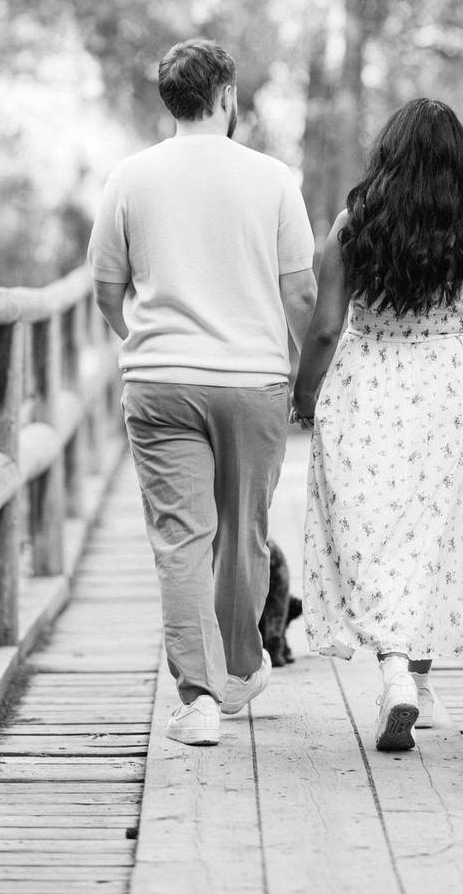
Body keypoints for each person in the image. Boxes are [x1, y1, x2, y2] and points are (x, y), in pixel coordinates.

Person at [88, 38, 316, 747]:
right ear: (225, 97)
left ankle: (198, 701)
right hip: (252, 381)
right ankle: (242, 669)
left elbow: (104, 285)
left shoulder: (130, 176)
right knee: (242, 531)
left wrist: (135, 339)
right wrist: (305, 373)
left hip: (160, 381)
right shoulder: (274, 178)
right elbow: (302, 292)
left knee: (181, 541)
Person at [291, 97, 463, 752]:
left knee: (372, 530)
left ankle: (393, 671)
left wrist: (306, 397)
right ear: (456, 161)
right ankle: (410, 677)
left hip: (366, 388)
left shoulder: (350, 226)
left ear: (384, 156)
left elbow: (327, 325)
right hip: (445, 393)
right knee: (428, 533)